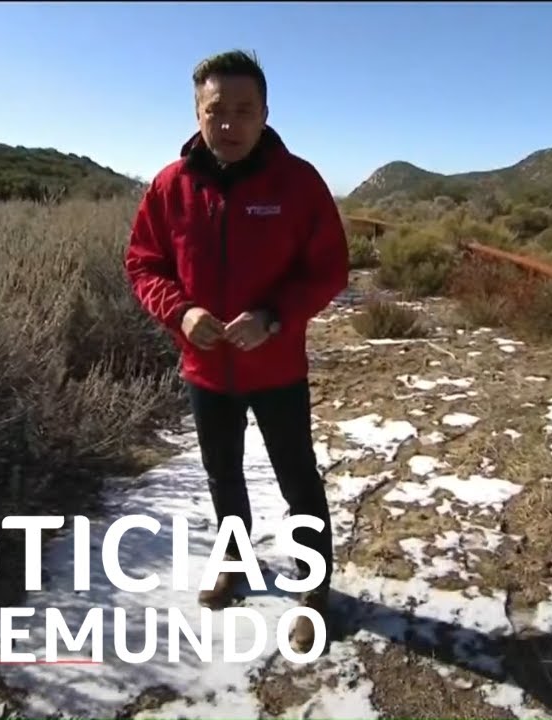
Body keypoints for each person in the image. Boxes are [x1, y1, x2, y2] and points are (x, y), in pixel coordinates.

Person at [123, 49, 349, 655]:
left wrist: (274, 315)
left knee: (296, 475)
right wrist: (181, 311)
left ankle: (316, 587)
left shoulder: (298, 182)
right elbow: (143, 263)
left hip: (276, 367)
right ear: (197, 113)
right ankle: (235, 556)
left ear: (266, 113)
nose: (229, 123)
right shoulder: (171, 187)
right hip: (205, 369)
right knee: (222, 473)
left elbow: (328, 269)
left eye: (243, 110)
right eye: (215, 110)